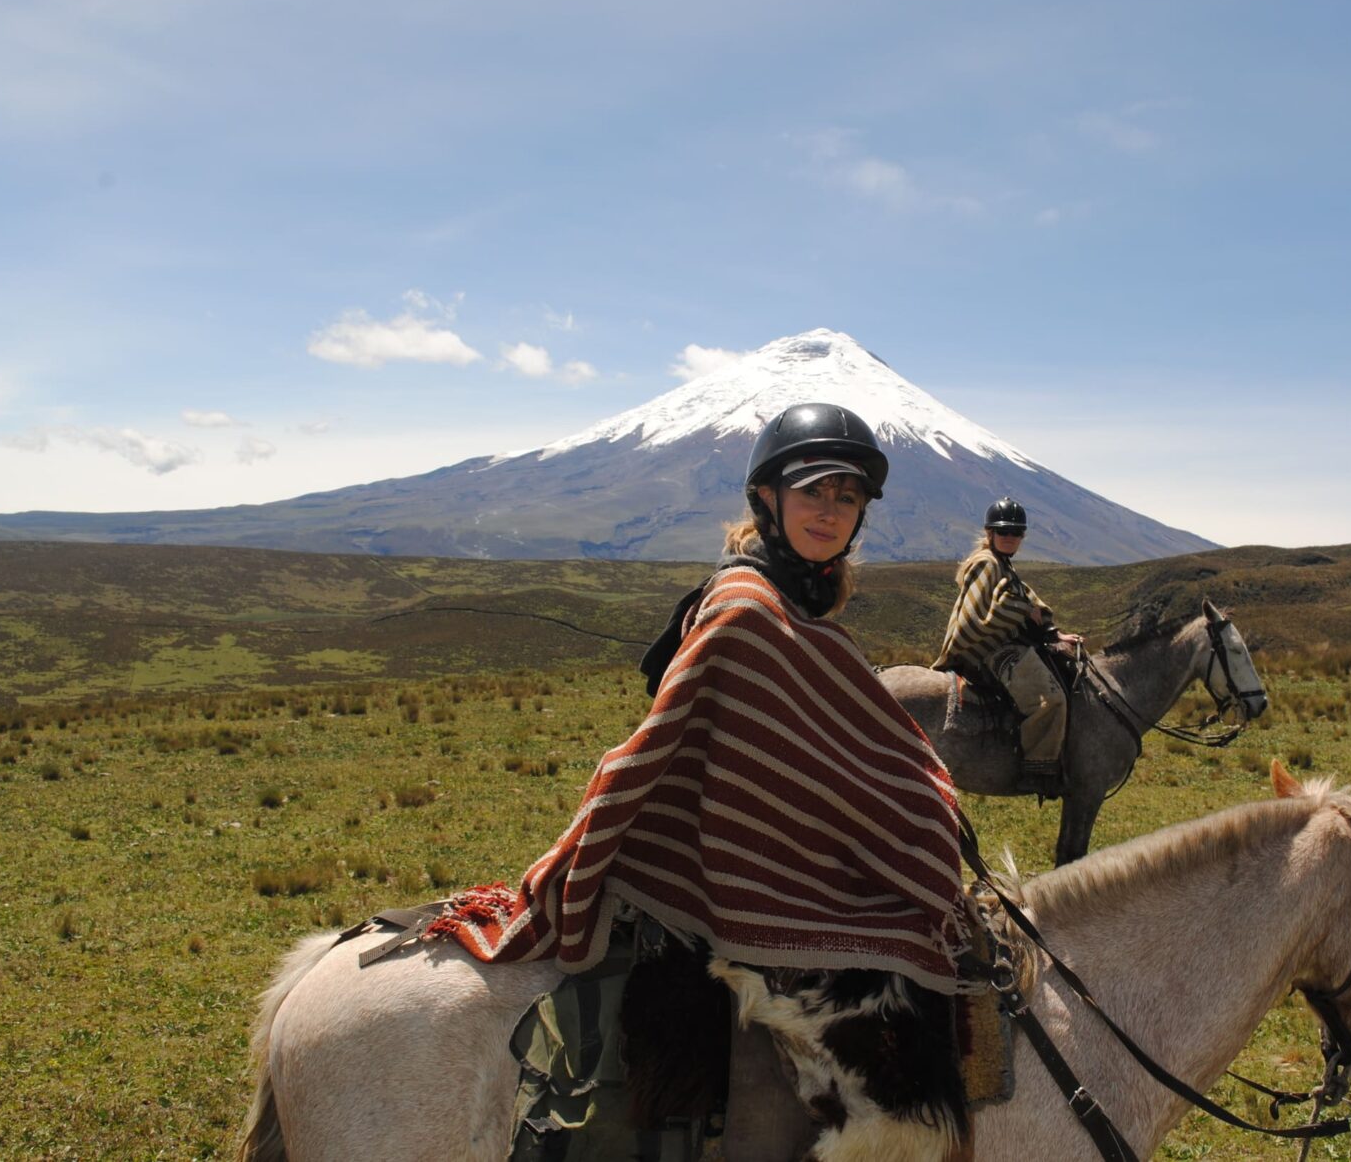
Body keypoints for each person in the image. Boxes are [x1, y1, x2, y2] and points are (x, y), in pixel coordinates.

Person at [427, 403, 972, 1160]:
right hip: (726, 872)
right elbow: (735, 752)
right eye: (813, 490)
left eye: (847, 497)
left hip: (759, 845)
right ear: (768, 499)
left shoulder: (795, 600)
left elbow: (822, 754)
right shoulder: (748, 608)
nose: (830, 510)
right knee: (895, 963)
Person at [933, 497, 1082, 780]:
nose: (1010, 538)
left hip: (1003, 642)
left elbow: (1026, 600)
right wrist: (1024, 610)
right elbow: (977, 619)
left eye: (1016, 533)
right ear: (990, 533)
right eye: (1004, 532)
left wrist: (1053, 632)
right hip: (986, 649)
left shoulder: (1002, 564)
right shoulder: (986, 564)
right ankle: (1038, 768)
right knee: (1050, 699)